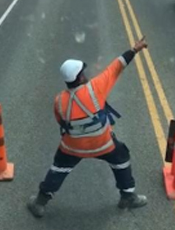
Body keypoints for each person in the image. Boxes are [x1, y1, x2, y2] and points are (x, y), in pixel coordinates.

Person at [27, 36, 149, 218]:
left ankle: (40, 203)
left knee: (58, 168)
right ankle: (128, 197)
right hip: (104, 145)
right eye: (83, 72)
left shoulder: (59, 100)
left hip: (72, 148)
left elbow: (61, 122)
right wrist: (134, 49)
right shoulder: (95, 88)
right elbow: (117, 66)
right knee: (122, 156)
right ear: (80, 76)